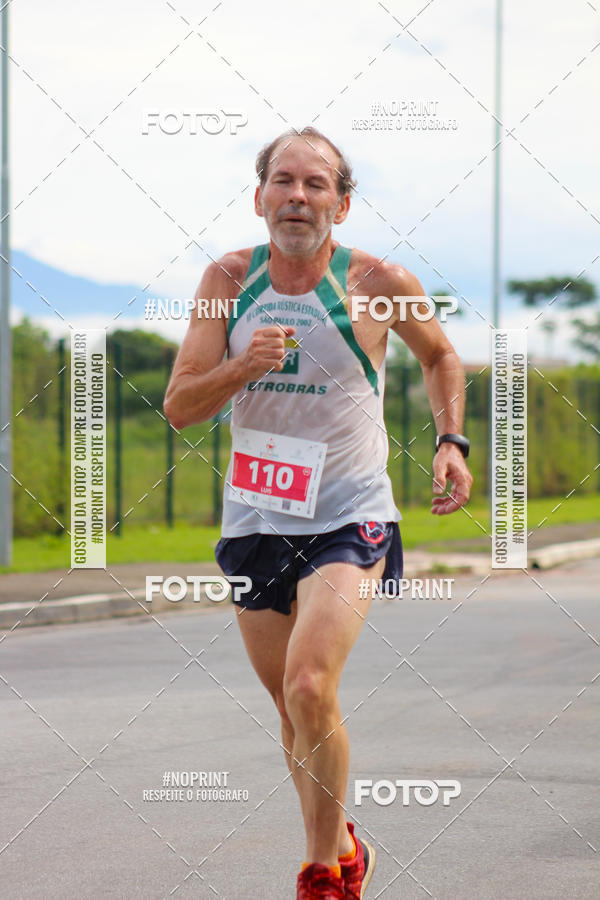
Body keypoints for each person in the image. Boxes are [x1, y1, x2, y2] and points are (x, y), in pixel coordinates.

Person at [164, 126, 473, 900]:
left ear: (342, 200)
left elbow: (440, 355)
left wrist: (451, 440)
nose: (297, 197)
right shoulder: (227, 280)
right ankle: (343, 841)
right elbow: (178, 407)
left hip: (350, 512)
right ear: (260, 195)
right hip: (258, 519)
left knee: (308, 684)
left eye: (315, 184)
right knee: (291, 707)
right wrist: (242, 366)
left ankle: (321, 872)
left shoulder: (377, 279)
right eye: (284, 182)